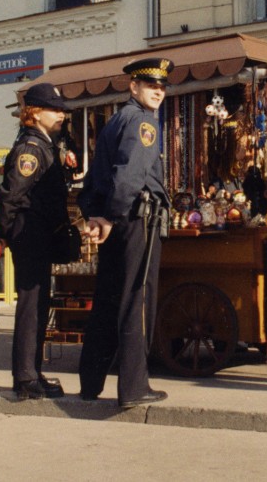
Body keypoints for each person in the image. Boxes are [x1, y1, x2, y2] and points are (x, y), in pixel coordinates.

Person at [78, 57, 173, 407]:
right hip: (135, 220)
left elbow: (96, 178)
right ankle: (134, 387)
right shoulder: (144, 122)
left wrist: (99, 215)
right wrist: (113, 216)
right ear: (133, 87)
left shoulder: (117, 120)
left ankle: (91, 383)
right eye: (151, 85)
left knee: (107, 300)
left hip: (116, 220)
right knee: (138, 300)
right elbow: (129, 176)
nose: (158, 92)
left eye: (162, 87)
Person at [0, 82, 71, 400]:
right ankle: (26, 377)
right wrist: (9, 233)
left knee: (39, 306)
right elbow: (10, 195)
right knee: (31, 308)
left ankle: (31, 372)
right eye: (54, 109)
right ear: (35, 112)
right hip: (30, 234)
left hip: (36, 234)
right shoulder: (31, 149)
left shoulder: (44, 144)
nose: (61, 114)